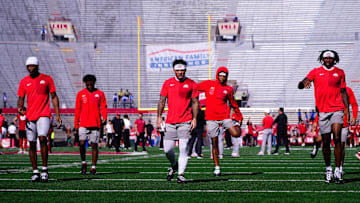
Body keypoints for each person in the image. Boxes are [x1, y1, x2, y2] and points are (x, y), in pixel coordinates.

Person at [298, 50, 349, 183]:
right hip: (322, 111)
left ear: (334, 59)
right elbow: (303, 82)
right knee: (325, 142)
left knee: (337, 138)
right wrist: (303, 84)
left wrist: (347, 110)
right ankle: (328, 169)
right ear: (322, 59)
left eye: (330, 58)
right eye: (325, 58)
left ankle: (338, 170)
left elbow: (343, 91)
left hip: (337, 109)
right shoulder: (315, 71)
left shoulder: (340, 72)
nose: (327, 59)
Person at [17, 56, 62, 182]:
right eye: (28, 66)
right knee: (31, 143)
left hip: (44, 114)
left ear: (37, 66)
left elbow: (54, 96)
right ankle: (35, 171)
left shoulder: (47, 79)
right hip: (30, 116)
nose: (30, 68)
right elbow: (21, 97)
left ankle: (45, 169)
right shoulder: (23, 81)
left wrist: (57, 114)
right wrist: (20, 107)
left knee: (42, 138)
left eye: (32, 66)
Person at [157, 59, 199, 183]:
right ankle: (174, 164)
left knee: (183, 147)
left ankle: (180, 174)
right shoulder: (167, 83)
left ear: (185, 70)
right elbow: (162, 101)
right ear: (174, 70)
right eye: (178, 70)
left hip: (185, 121)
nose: (180, 72)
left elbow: (196, 102)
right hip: (170, 121)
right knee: (167, 149)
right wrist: (159, 117)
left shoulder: (191, 83)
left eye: (182, 70)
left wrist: (195, 118)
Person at [198, 66, 242, 176]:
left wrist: (239, 115)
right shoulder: (208, 84)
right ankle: (217, 167)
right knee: (214, 143)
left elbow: (233, 103)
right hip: (211, 118)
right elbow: (194, 87)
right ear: (217, 75)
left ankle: (237, 124)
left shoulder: (228, 89)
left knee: (236, 134)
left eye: (224, 75)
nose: (222, 77)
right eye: (220, 75)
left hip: (224, 116)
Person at [74, 74, 107, 176]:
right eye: (87, 84)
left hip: (95, 123)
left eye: (91, 84)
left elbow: (103, 107)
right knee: (82, 143)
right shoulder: (80, 94)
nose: (89, 86)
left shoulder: (100, 94)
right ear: (85, 83)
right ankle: (83, 162)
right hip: (83, 123)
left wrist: (104, 117)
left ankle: (93, 167)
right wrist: (76, 123)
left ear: (93, 83)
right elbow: (78, 109)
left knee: (94, 145)